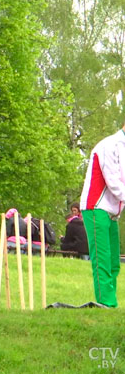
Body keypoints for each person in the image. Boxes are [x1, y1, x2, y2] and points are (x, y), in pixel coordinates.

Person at [79, 126, 125, 308]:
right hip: (96, 207)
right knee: (103, 259)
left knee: (114, 261)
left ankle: (110, 302)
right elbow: (113, 182)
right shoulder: (109, 145)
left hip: (113, 212)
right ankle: (106, 303)